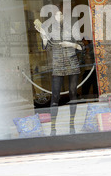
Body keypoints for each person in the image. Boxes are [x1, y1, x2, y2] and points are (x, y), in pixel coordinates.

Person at [35, 7, 84, 135]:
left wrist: (71, 44)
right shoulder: (50, 30)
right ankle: (53, 127)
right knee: (55, 95)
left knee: (73, 94)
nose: (58, 17)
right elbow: (46, 46)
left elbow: (81, 46)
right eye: (56, 15)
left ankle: (72, 124)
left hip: (72, 63)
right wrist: (43, 36)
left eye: (60, 14)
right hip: (57, 64)